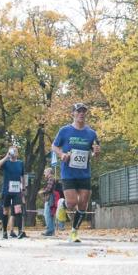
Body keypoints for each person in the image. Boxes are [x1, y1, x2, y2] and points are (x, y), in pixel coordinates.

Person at [53, 103, 100, 243]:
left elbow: (95, 152)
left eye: (83, 111)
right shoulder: (64, 130)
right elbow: (54, 146)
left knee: (83, 204)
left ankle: (74, 232)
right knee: (72, 202)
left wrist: (97, 152)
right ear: (72, 113)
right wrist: (62, 155)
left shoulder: (91, 133)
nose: (81, 114)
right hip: (68, 172)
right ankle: (62, 204)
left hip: (84, 173)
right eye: (78, 111)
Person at [0, 145, 27, 240]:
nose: (14, 152)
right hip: (6, 190)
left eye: (15, 151)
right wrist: (6, 156)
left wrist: (23, 189)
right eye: (12, 151)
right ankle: (4, 232)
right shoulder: (6, 162)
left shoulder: (20, 163)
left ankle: (20, 231)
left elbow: (22, 176)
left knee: (18, 209)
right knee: (6, 211)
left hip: (17, 190)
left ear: (17, 153)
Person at [38, 167, 57, 236]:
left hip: (50, 198)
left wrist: (41, 191)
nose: (44, 173)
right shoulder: (51, 178)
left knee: (47, 214)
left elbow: (48, 189)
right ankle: (51, 231)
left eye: (45, 172)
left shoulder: (51, 178)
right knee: (50, 215)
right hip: (51, 197)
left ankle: (49, 230)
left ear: (49, 172)